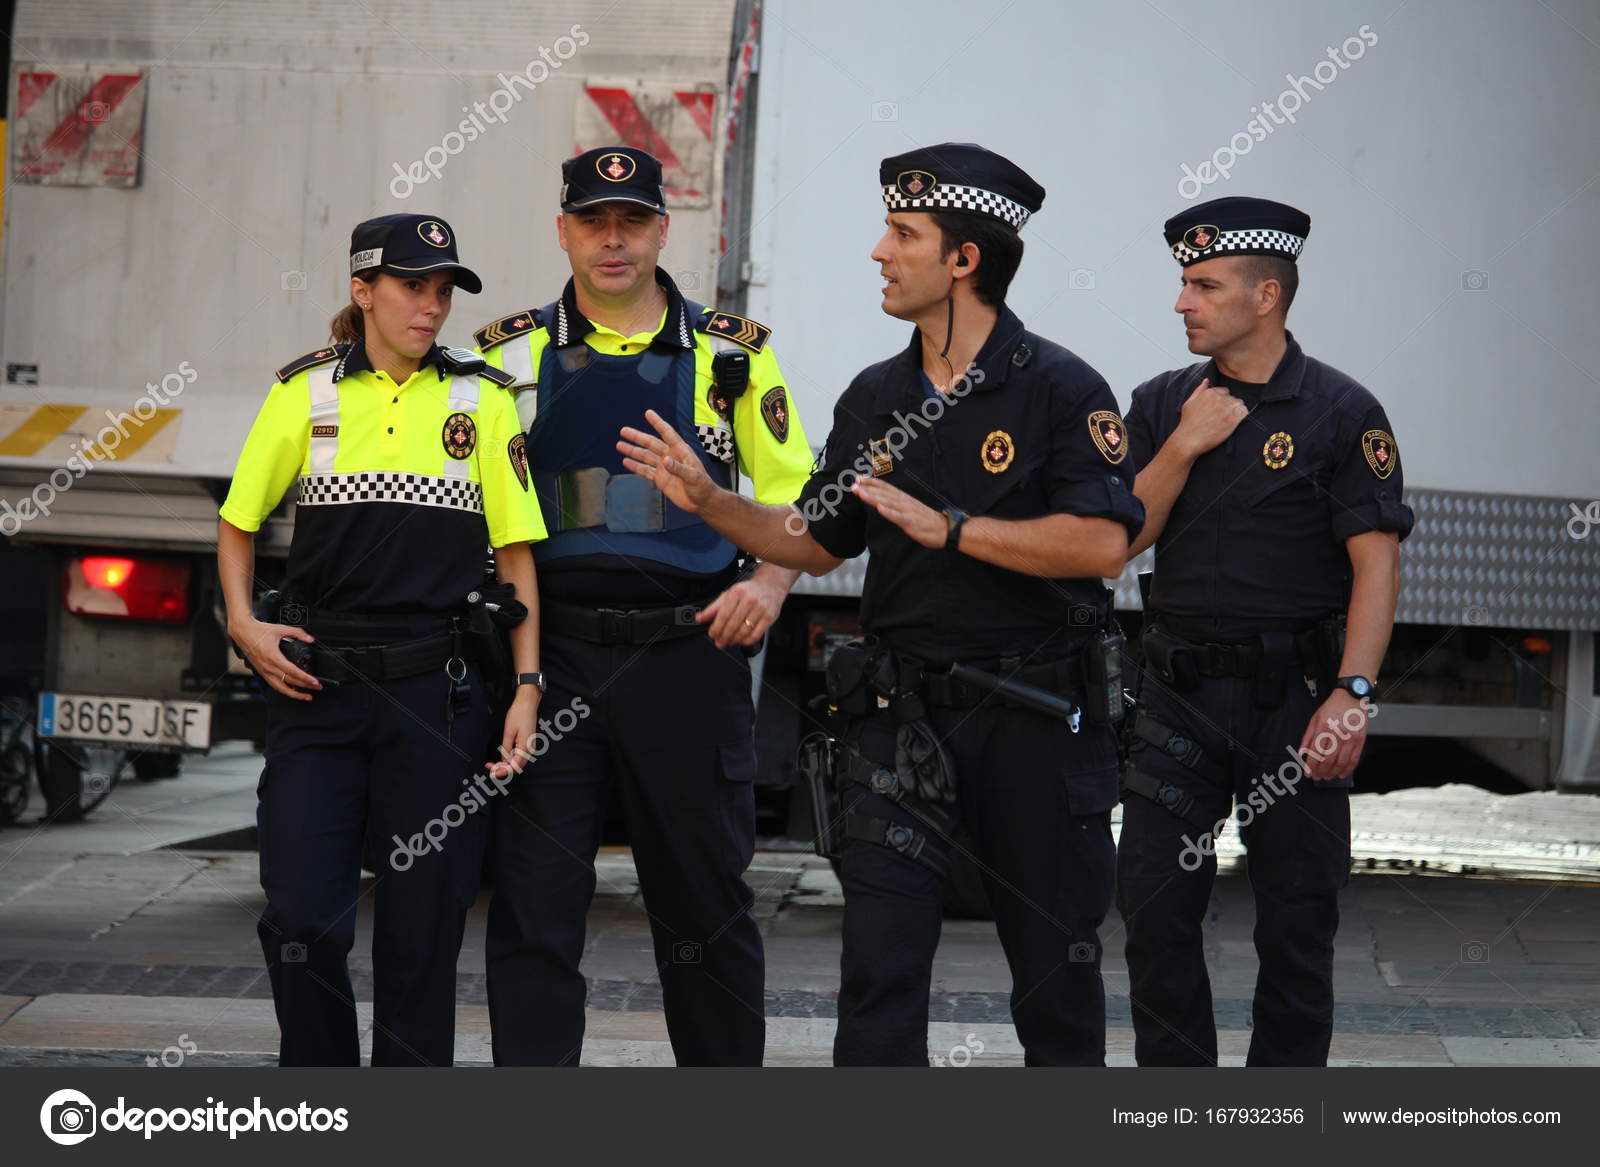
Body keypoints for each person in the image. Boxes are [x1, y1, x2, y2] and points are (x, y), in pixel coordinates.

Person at [620, 143, 1145, 1066]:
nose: (879, 252)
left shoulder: (1063, 389)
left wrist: (952, 527)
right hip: (900, 726)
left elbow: (1103, 544)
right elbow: (817, 538)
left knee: (1056, 980)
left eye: (903, 234)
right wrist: (716, 505)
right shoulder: (878, 396)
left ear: (963, 260)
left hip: (1035, 725)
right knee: (878, 973)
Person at [478, 146, 814, 1067]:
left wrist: (768, 582)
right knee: (535, 908)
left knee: (704, 908)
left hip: (688, 658)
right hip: (550, 666)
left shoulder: (733, 355)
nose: (614, 240)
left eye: (633, 220)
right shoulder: (504, 356)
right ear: (563, 232)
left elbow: (802, 507)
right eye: (594, 221)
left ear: (666, 229)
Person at [217, 213, 547, 1066]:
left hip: (435, 699)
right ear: (362, 290)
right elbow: (237, 521)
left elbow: (515, 557)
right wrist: (244, 624)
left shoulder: (482, 397)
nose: (430, 307)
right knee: (300, 914)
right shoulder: (306, 392)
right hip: (315, 694)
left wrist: (526, 684)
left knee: (423, 933)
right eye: (412, 286)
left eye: (442, 289)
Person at [1116, 196, 1414, 1066]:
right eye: (1183, 282)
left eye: (1203, 284)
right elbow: (1117, 541)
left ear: (1266, 296)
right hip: (1175, 698)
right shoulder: (1162, 400)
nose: (1182, 301)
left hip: (1294, 700)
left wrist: (1352, 694)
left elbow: (1376, 564)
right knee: (1153, 910)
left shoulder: (1341, 411)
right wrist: (1181, 445)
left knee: (1296, 924)